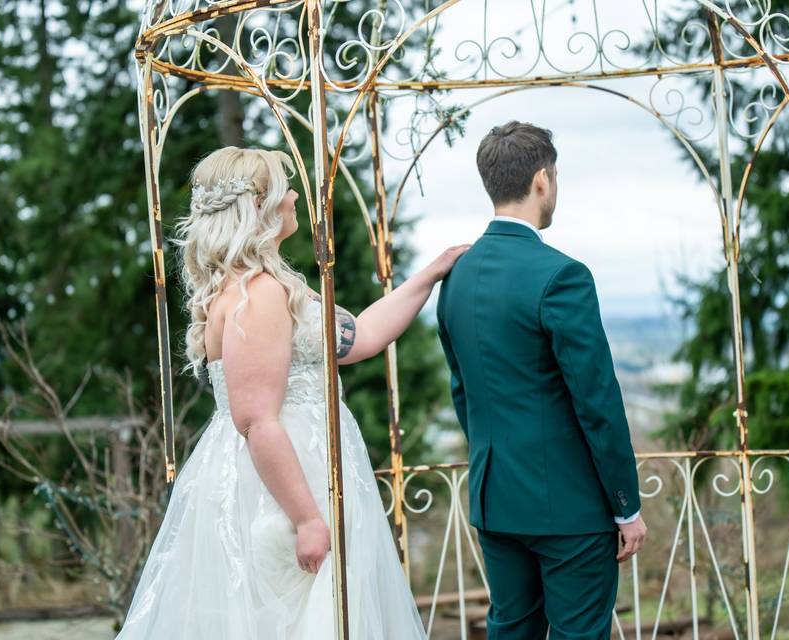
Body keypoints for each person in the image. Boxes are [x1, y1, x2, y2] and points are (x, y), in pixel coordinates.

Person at [117, 146, 468, 639]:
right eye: (286, 188)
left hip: (307, 468)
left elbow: (360, 336)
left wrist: (429, 274)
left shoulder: (273, 286)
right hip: (280, 487)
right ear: (260, 206)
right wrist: (306, 518)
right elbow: (256, 420)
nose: (295, 196)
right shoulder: (254, 295)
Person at [436, 121, 647, 639]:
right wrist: (627, 506)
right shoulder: (563, 275)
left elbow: (463, 392)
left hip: (496, 500)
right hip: (571, 509)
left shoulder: (454, 277)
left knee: (511, 630)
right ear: (541, 181)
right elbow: (596, 401)